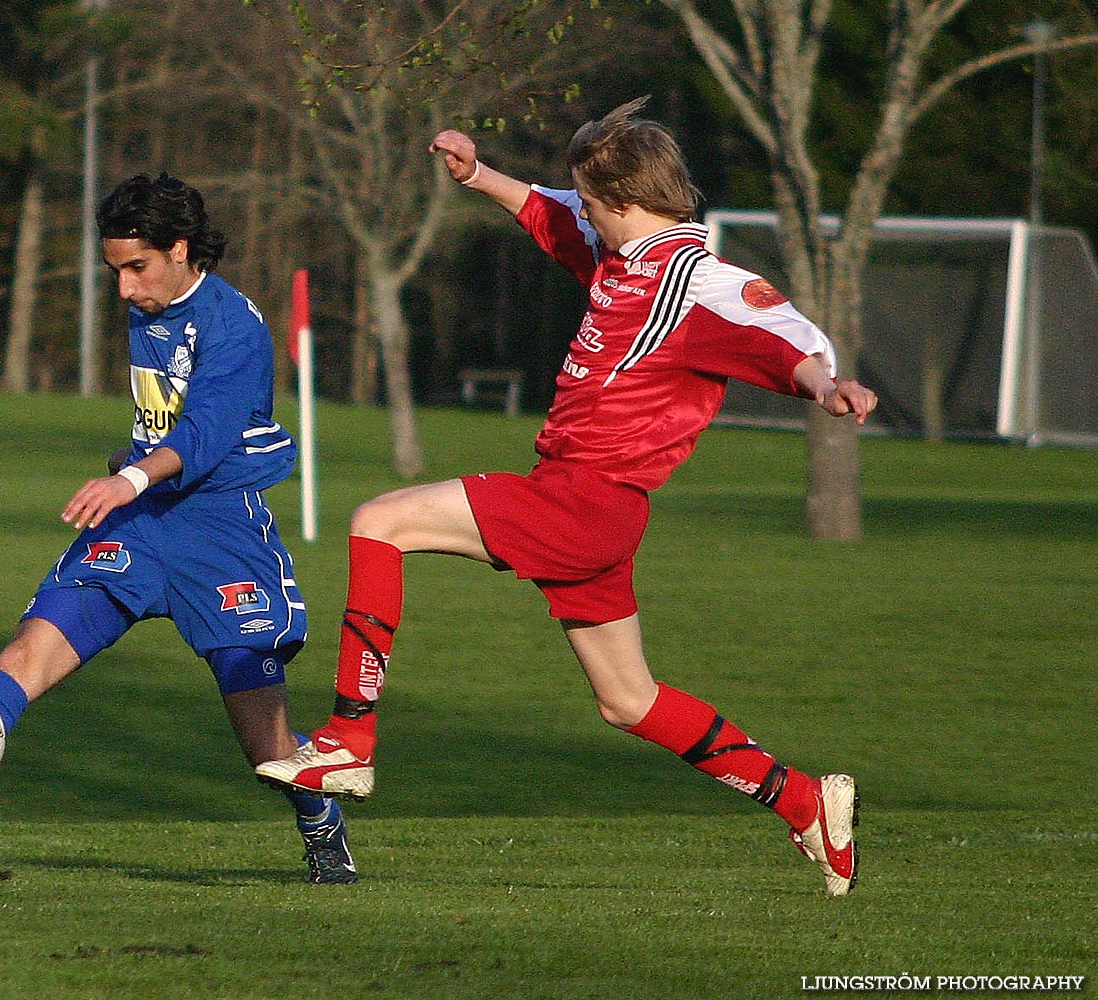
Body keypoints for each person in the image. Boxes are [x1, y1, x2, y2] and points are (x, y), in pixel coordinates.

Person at [257, 97, 877, 896]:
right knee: (627, 701)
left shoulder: (701, 284)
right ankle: (804, 802)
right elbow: (551, 214)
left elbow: (785, 335)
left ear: (625, 202)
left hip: (580, 500)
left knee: (381, 521)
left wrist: (827, 386)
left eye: (591, 203)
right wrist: (479, 175)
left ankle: (347, 738)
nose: (581, 216)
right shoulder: (621, 254)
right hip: (595, 511)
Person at [0, 172, 356, 885]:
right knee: (27, 654)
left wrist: (132, 475)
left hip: (218, 534)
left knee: (265, 746)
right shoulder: (148, 303)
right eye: (114, 269)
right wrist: (136, 466)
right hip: (139, 525)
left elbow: (207, 436)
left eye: (135, 268)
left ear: (181, 248)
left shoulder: (232, 325)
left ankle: (319, 822)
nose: (122, 288)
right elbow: (169, 424)